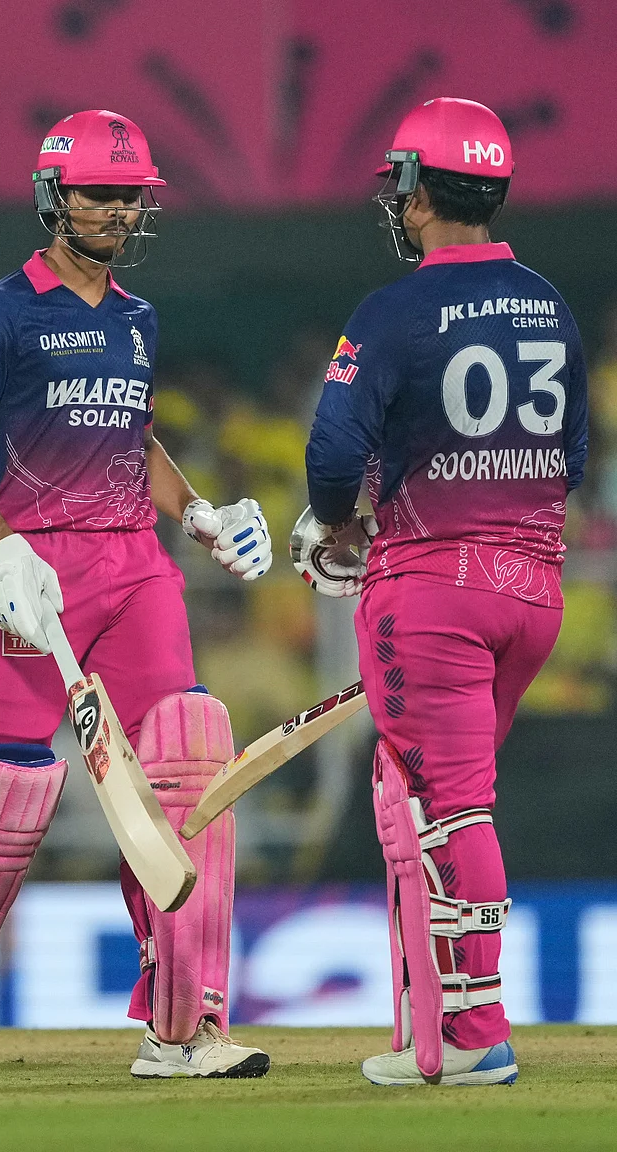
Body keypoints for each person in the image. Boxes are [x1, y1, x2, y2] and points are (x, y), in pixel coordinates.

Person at [0, 109, 272, 1081]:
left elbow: (134, 439)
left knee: (188, 756)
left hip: (134, 566)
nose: (121, 211)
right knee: (8, 790)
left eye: (132, 195)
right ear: (56, 196)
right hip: (27, 577)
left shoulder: (136, 318)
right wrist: (3, 552)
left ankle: (186, 1028)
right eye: (102, 192)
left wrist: (199, 514)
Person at [297, 97, 587, 1085]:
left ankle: (472, 1037)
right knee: (425, 796)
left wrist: (343, 521)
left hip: (434, 598)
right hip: (534, 592)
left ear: (418, 192)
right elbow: (572, 457)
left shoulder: (392, 311)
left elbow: (333, 455)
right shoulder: (548, 302)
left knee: (453, 808)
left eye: (400, 183)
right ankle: (429, 1024)